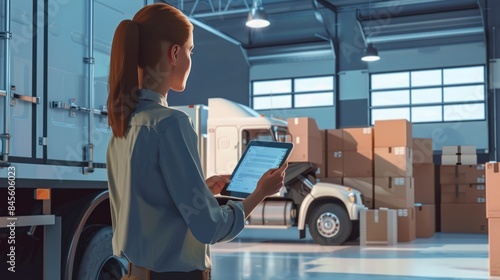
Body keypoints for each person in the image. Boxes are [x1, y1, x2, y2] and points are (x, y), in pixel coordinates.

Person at [105, 3, 288, 280]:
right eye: (190, 51)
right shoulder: (171, 124)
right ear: (175, 53)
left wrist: (200, 190)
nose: (191, 60)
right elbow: (209, 228)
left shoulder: (123, 124)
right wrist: (260, 193)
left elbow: (148, 208)